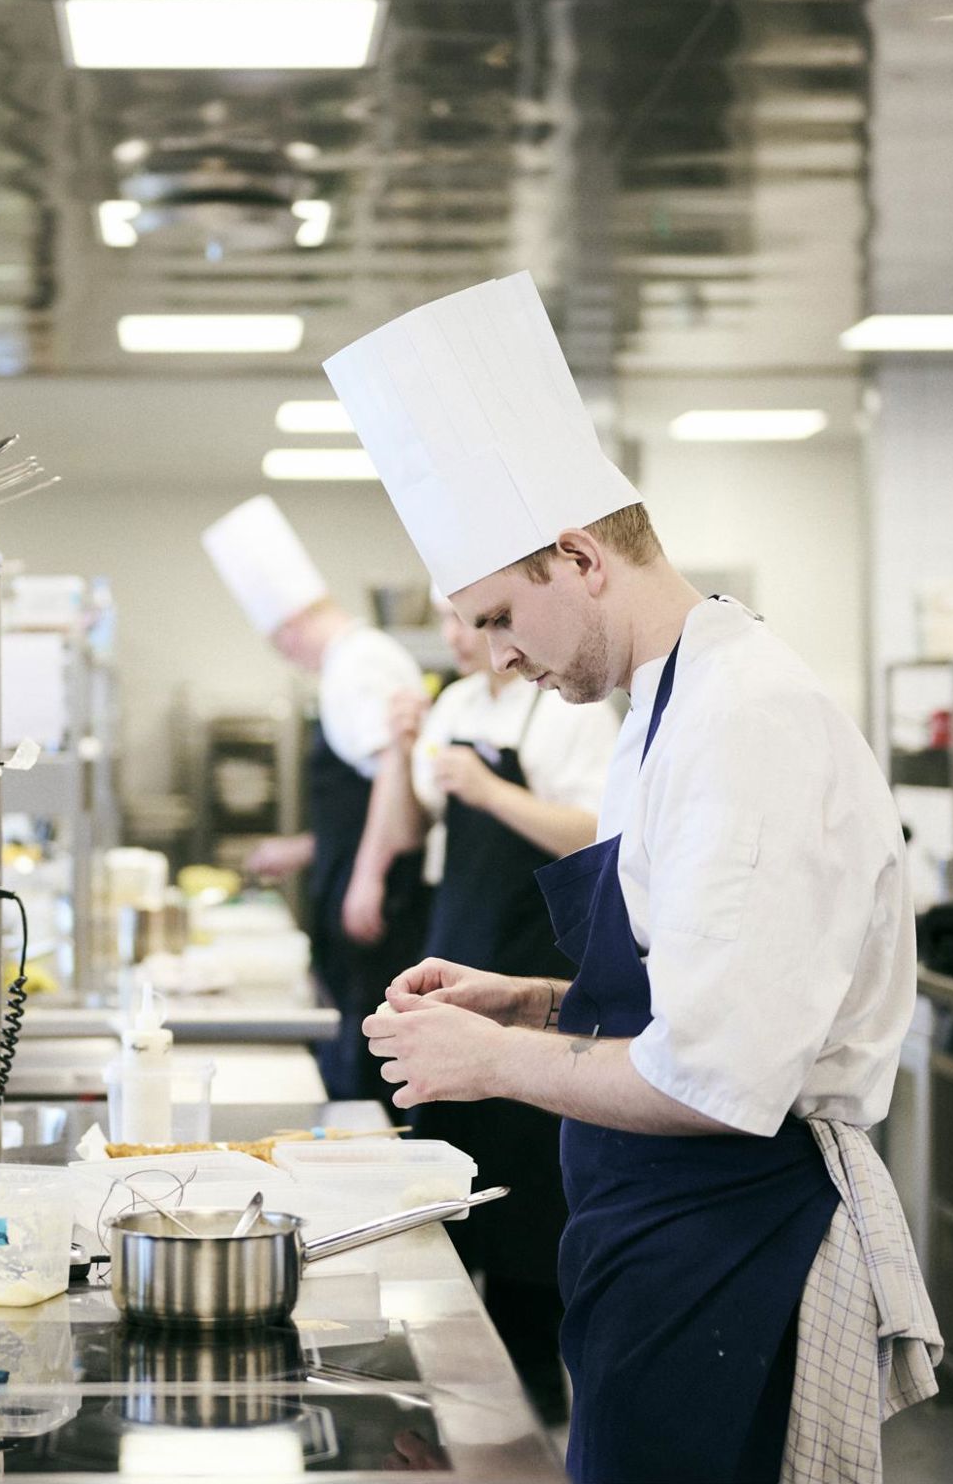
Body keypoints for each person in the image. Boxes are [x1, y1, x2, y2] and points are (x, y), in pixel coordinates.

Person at [327, 274, 940, 1484]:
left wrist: (496, 1064)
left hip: (742, 1247)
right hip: (661, 1240)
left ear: (576, 558)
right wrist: (530, 1001)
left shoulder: (748, 718)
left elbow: (720, 1077)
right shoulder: (663, 701)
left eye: (503, 615)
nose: (496, 656)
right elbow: (688, 993)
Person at [392, 590, 614, 1426]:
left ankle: (530, 1422)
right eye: (451, 623)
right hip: (459, 949)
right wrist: (400, 750)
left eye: (477, 620)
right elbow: (419, 829)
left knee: (523, 1204)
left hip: (530, 967)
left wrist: (488, 790)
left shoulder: (565, 711)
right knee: (450, 1187)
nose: (463, 639)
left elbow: (597, 835)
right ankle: (450, 1410)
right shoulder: (453, 704)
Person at [201, 494, 428, 1104]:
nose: (288, 656)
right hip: (357, 889)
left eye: (281, 642)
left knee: (369, 1057)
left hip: (379, 905)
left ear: (291, 627)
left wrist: (368, 877)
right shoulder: (357, 661)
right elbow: (358, 798)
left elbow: (392, 776)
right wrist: (308, 849)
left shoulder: (357, 664)